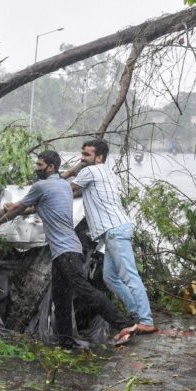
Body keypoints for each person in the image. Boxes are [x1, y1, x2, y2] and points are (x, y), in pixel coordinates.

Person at [0, 150, 136, 348]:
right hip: (65, 252)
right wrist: (13, 208)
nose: (36, 168)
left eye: (40, 165)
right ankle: (67, 342)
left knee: (84, 290)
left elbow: (20, 208)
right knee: (61, 297)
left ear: (51, 167)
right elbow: (32, 208)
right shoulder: (62, 186)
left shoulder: (41, 186)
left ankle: (125, 324)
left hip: (66, 252)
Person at [62, 139, 157, 334]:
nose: (82, 158)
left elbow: (64, 189)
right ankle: (137, 314)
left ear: (99, 157)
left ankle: (146, 320)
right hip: (116, 230)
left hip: (115, 230)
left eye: (86, 155)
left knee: (129, 275)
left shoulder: (90, 171)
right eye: (82, 154)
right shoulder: (106, 172)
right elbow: (80, 192)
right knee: (111, 277)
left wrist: (65, 174)